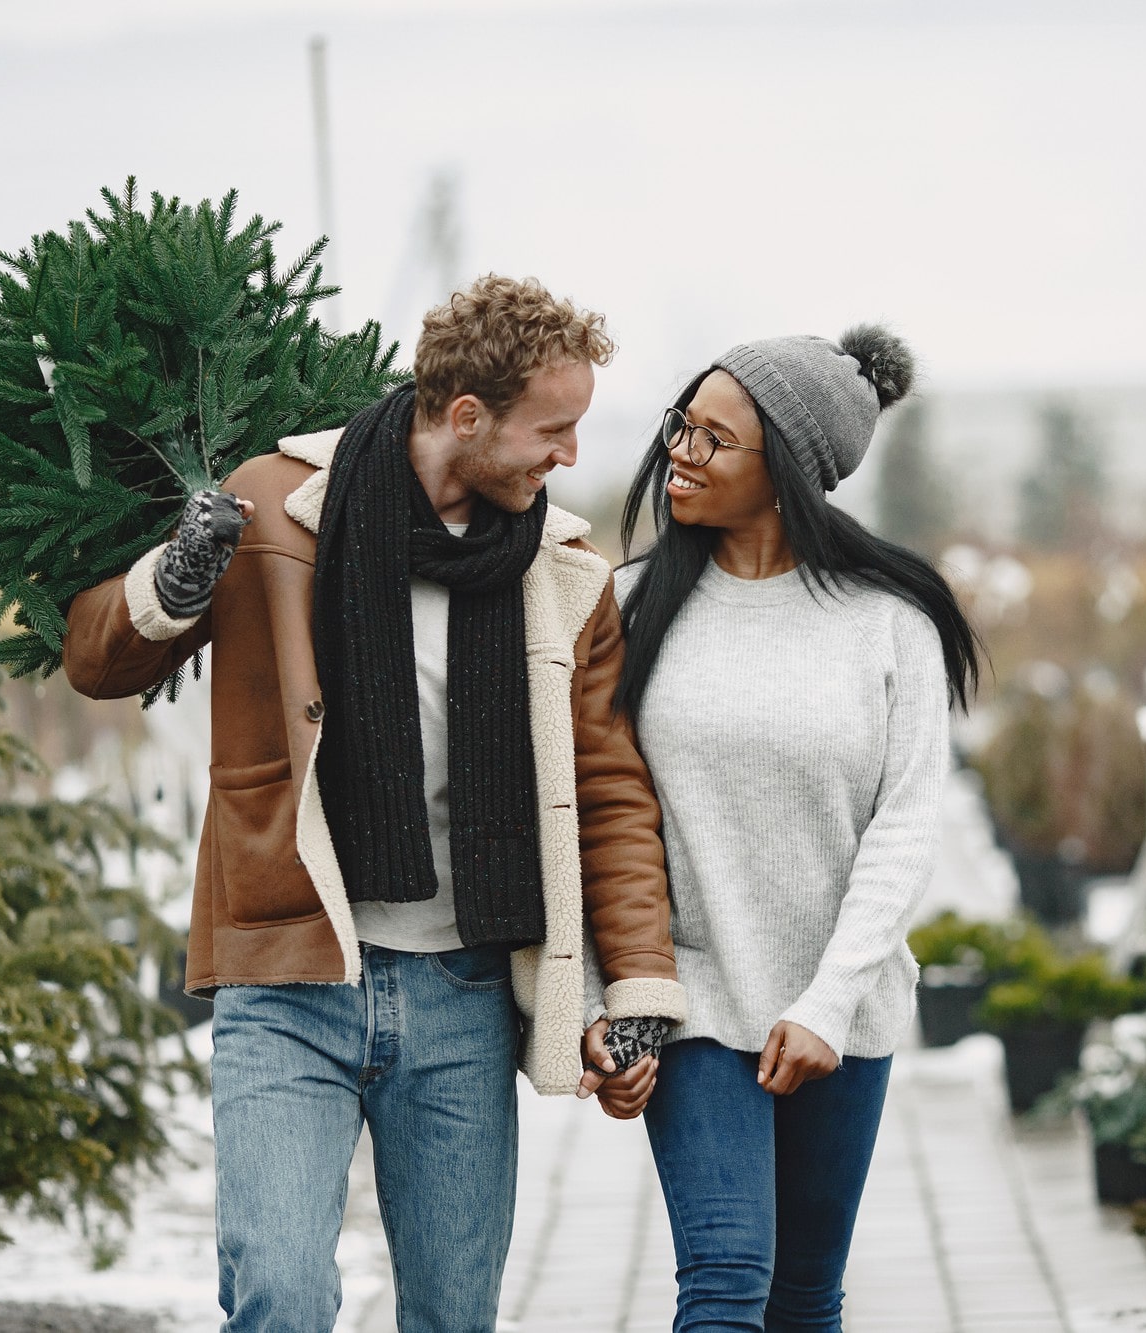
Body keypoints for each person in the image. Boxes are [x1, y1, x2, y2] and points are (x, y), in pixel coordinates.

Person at [62, 274, 687, 1333]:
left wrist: (636, 990)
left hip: (466, 992)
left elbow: (609, 789)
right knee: (279, 1295)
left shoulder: (559, 570)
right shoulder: (277, 505)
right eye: (554, 428)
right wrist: (172, 579)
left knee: (451, 1314)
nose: (569, 456)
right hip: (288, 972)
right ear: (465, 417)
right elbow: (93, 660)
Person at [614, 326, 981, 1331]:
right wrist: (616, 991)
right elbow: (600, 815)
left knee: (802, 1301)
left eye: (714, 438)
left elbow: (904, 827)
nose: (681, 450)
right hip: (694, 1000)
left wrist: (827, 1000)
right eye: (681, 423)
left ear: (786, 471)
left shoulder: (885, 622)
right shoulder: (626, 608)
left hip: (842, 1007)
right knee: (727, 1281)